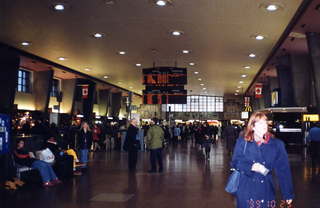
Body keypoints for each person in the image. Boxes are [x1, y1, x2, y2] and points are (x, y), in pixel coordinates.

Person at [231, 112, 293, 208]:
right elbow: (235, 162)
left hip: (266, 189)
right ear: (253, 127)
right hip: (246, 189)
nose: (264, 125)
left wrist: (287, 193)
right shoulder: (243, 142)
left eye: (265, 122)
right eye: (260, 123)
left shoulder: (277, 145)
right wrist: (251, 166)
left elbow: (283, 170)